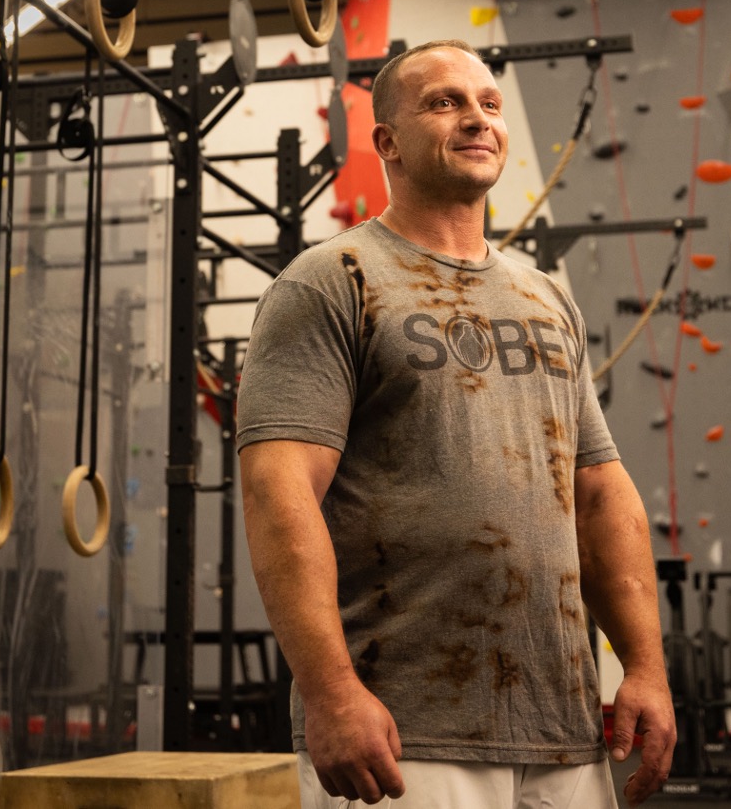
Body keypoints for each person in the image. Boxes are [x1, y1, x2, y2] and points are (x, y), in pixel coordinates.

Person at [239, 40, 674, 809]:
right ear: (388, 142)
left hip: (564, 727)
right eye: (445, 102)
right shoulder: (330, 282)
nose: (476, 118)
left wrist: (644, 665)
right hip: (404, 731)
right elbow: (280, 496)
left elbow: (601, 493)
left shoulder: (546, 298)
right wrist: (331, 692)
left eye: (489, 104)